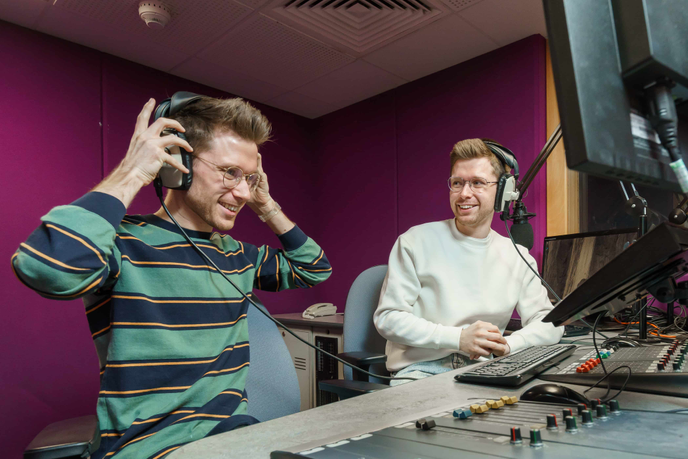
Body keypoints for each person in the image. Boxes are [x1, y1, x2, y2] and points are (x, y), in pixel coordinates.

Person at [11, 95, 332, 458]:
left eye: (250, 178)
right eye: (230, 172)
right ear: (179, 166)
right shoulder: (122, 244)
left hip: (233, 439)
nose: (242, 192)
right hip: (148, 450)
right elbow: (45, 268)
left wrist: (266, 204)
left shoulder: (239, 256)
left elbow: (314, 268)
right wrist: (133, 172)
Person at [373, 138, 562, 385]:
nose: (464, 193)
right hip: (419, 372)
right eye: (457, 183)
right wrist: (458, 338)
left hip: (486, 370)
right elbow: (389, 318)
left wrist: (507, 345)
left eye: (477, 183)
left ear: (503, 191)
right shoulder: (414, 241)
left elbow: (550, 324)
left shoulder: (517, 256)